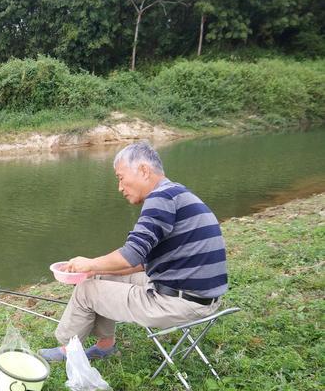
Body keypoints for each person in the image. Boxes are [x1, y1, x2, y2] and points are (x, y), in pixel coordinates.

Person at [39, 141, 228, 362]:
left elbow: (132, 254)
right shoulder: (176, 194)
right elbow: (142, 262)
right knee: (98, 276)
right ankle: (105, 345)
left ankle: (67, 349)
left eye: (120, 177)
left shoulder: (160, 198)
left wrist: (88, 263)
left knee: (86, 291)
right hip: (203, 298)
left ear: (144, 170)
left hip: (180, 303)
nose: (120, 187)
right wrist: (95, 270)